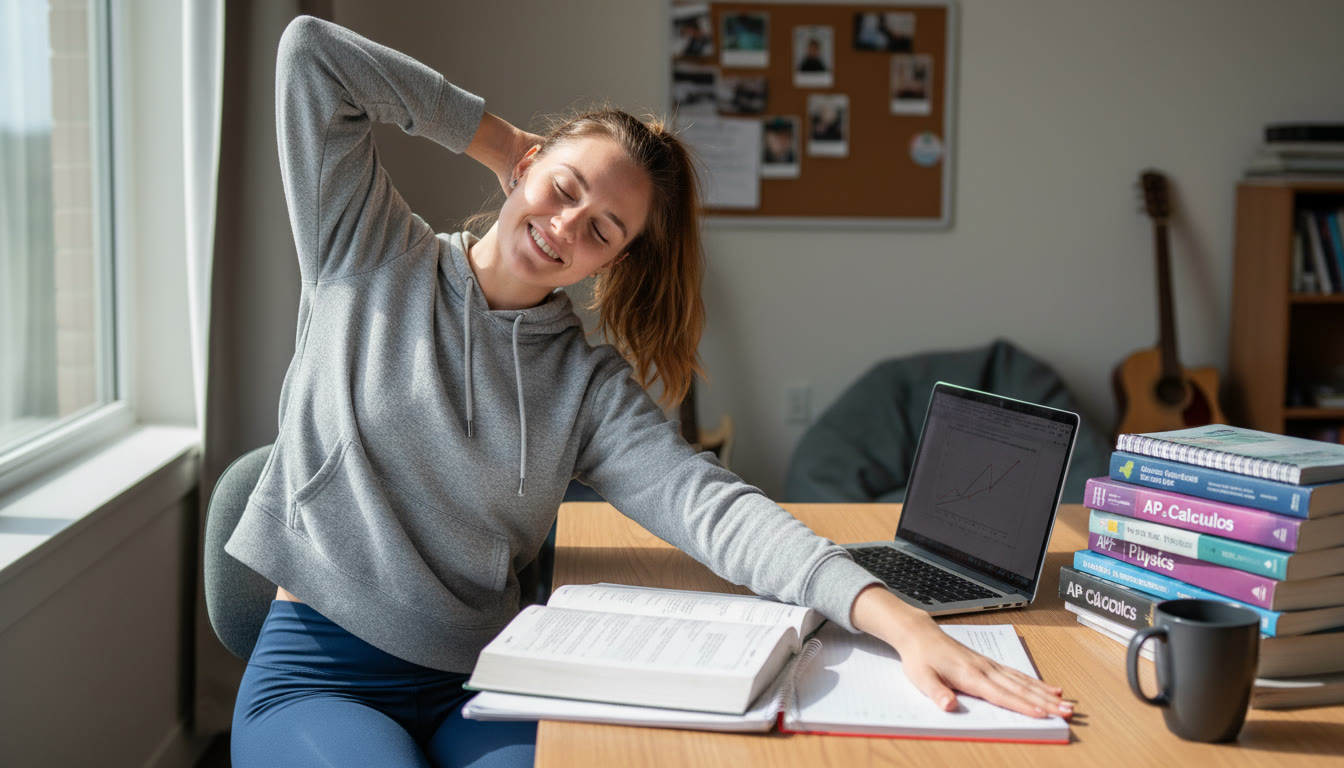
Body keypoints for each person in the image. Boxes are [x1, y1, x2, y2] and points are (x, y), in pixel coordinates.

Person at [226, 16, 1074, 768]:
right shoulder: (366, 255)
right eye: (563, 187)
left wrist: (896, 618)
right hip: (319, 673)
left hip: (485, 683)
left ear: (612, 262)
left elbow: (714, 508)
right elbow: (311, 55)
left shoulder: (585, 387)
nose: (565, 226)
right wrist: (494, 138)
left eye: (603, 228)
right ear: (527, 168)